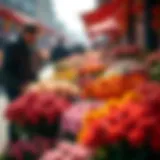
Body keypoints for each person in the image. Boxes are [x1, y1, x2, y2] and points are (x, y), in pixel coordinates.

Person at [3, 24, 39, 141]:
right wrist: (18, 85)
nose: (34, 39)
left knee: (25, 114)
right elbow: (5, 71)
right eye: (33, 36)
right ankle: (13, 142)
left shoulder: (29, 47)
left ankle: (22, 139)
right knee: (15, 115)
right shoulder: (13, 46)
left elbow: (29, 68)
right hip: (15, 88)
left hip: (25, 86)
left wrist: (35, 81)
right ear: (26, 34)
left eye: (35, 37)